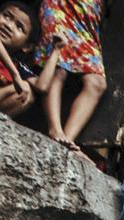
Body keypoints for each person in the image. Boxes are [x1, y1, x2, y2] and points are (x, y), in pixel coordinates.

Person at [36, 0, 106, 149]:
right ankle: (55, 129)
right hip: (60, 6)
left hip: (87, 15)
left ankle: (67, 140)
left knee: (97, 82)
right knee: (58, 65)